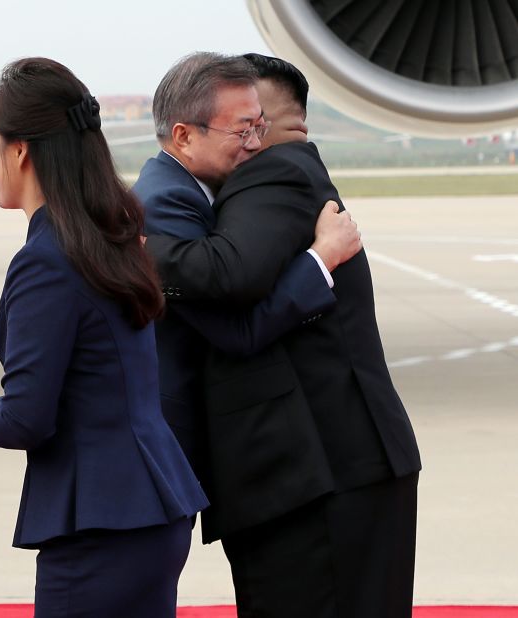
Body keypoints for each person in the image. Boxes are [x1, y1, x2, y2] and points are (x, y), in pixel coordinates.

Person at [0, 57, 208, 618]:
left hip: (102, 521)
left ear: (20, 150)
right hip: (148, 506)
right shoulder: (106, 238)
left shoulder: (48, 260)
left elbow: (29, 417)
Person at [145, 53, 421, 618]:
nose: (250, 138)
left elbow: (226, 273)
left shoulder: (278, 169)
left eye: (255, 121)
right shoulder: (236, 184)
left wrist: (135, 248)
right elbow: (239, 318)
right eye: (239, 124)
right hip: (325, 472)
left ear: (278, 119)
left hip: (318, 474)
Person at [133, 52, 361, 530]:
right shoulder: (166, 205)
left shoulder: (193, 189)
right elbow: (238, 330)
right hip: (163, 452)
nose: (257, 145)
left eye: (261, 126)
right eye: (243, 131)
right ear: (184, 135)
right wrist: (320, 258)